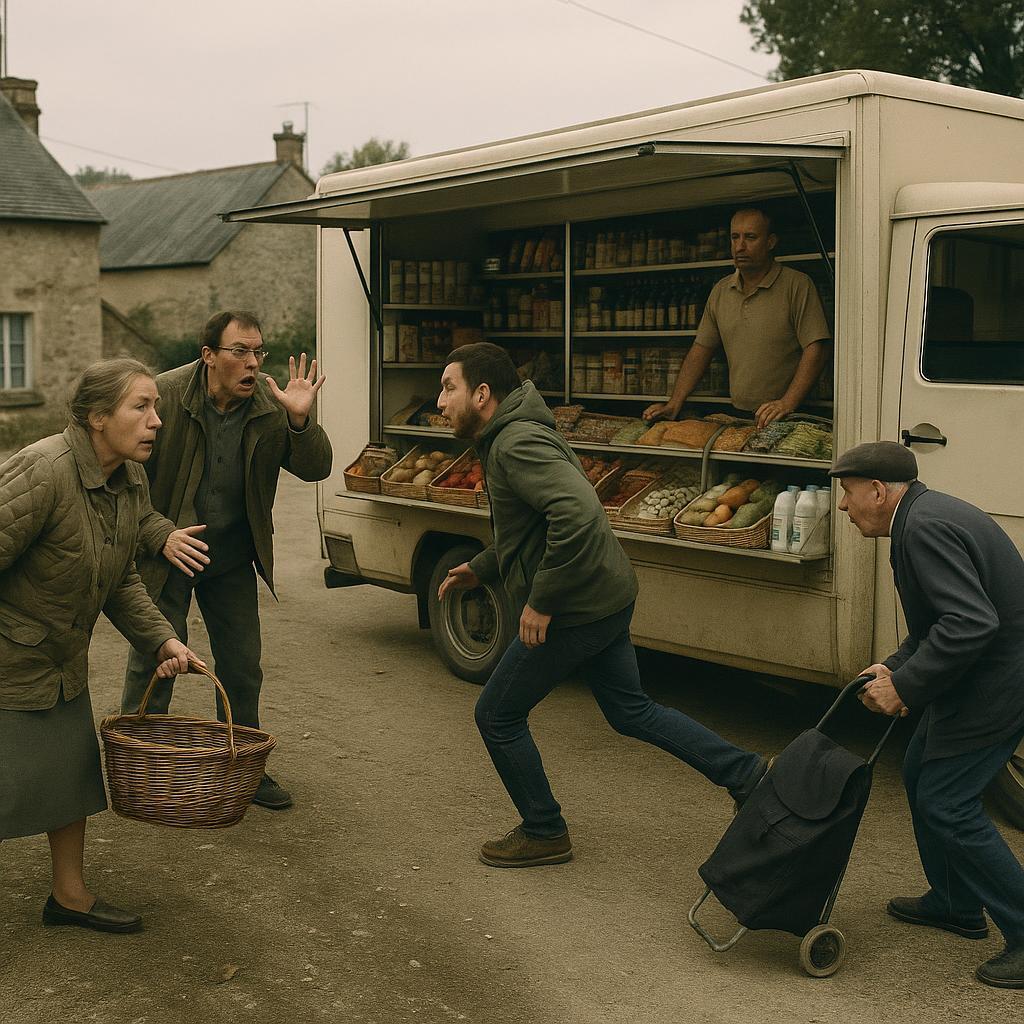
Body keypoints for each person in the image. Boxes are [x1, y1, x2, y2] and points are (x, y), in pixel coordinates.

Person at [436, 342, 768, 867]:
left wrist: (542, 601)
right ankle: (747, 775)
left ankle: (544, 829)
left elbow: (577, 514)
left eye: (448, 387)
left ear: (481, 394)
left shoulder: (515, 442)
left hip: (576, 605)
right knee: (631, 710)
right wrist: (485, 565)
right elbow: (538, 524)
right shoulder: (517, 431)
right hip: (604, 595)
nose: (439, 400)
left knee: (497, 714)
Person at [0, 359, 203, 934]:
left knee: (69, 777)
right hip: (7, 662)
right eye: (140, 406)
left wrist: (162, 637)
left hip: (59, 662)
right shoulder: (43, 471)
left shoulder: (130, 480)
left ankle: (69, 896)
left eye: (155, 407)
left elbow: (119, 579)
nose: (156, 420)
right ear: (96, 417)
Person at [120, 311, 332, 811]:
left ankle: (243, 768)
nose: (253, 363)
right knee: (157, 658)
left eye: (259, 352)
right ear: (208, 354)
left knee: (241, 665)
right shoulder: (164, 397)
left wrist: (299, 421)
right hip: (168, 551)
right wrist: (158, 533)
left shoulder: (269, 403)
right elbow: (124, 480)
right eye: (240, 351)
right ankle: (139, 763)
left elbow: (316, 466)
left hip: (233, 555)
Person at [832, 440, 1024, 989]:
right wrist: (893, 667)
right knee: (918, 771)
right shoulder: (920, 515)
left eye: (847, 494)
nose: (844, 507)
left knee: (948, 803)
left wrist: (907, 687)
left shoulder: (923, 528)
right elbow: (940, 623)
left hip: (1000, 680)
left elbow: (969, 625)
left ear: (876, 490)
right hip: (984, 671)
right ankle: (956, 903)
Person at [643, 208, 831, 429]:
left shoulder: (797, 284)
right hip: (741, 415)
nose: (740, 246)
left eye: (750, 237)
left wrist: (787, 403)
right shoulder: (722, 290)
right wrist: (674, 403)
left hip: (791, 415)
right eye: (735, 237)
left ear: (770, 242)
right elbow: (700, 350)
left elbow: (817, 348)